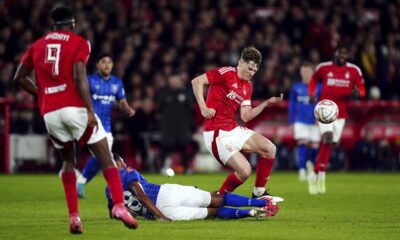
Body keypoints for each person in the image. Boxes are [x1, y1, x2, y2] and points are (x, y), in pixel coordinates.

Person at [13, 6, 138, 234]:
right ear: (71, 24)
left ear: (52, 26)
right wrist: (89, 110)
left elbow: (19, 77)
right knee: (105, 156)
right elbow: (80, 77)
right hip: (74, 108)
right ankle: (119, 206)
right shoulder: (79, 42)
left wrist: (42, 94)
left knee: (68, 161)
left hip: (50, 114)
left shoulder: (36, 45)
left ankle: (74, 217)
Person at [191, 46, 284, 198]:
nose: (251, 73)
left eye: (254, 71)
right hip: (216, 132)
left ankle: (258, 193)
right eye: (249, 68)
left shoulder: (247, 86)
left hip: (232, 128)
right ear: (241, 62)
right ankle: (218, 199)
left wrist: (266, 103)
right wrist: (203, 107)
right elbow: (196, 82)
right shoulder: (226, 73)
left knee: (270, 149)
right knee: (245, 171)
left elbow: (246, 116)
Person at [106, 155, 282, 221]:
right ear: (119, 163)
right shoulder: (127, 172)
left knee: (211, 213)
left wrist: (152, 215)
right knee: (216, 199)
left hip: (163, 210)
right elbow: (142, 196)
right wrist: (160, 215)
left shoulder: (108, 190)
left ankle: (250, 213)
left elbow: (114, 212)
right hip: (165, 193)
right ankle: (260, 203)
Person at [308, 43, 366, 194]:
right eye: (340, 53)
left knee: (331, 142)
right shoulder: (324, 67)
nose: (342, 57)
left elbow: (362, 90)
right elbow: (313, 80)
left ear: (348, 56)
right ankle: (321, 173)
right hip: (324, 108)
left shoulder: (354, 70)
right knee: (327, 138)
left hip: (340, 113)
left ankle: (315, 170)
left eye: (345, 54)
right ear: (335, 53)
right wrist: (312, 93)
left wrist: (357, 92)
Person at [76, 53, 135, 198]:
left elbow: (121, 100)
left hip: (106, 126)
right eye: (103, 62)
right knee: (103, 155)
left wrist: (127, 109)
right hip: (91, 123)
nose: (107, 65)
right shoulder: (89, 81)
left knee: (103, 156)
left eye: (109, 62)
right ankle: (117, 189)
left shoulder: (117, 82)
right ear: (97, 65)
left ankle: (81, 183)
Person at [288, 62, 321, 182]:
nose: (305, 74)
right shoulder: (296, 87)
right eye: (303, 71)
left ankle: (311, 168)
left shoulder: (319, 87)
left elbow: (323, 104)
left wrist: (321, 119)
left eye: (307, 71)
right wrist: (291, 121)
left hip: (315, 121)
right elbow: (292, 105)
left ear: (313, 73)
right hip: (300, 120)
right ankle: (301, 170)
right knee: (303, 143)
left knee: (314, 146)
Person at [157, 74, 194, 174]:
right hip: (168, 128)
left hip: (182, 128)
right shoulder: (164, 94)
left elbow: (191, 109)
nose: (174, 84)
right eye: (172, 82)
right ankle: (162, 167)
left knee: (184, 149)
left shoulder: (186, 94)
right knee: (165, 148)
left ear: (180, 82)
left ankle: (186, 168)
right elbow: (159, 109)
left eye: (176, 81)